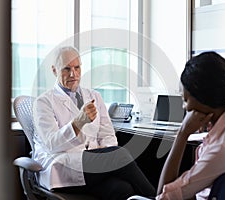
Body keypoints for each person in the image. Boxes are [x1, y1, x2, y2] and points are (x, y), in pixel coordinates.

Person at [32, 46, 155, 200]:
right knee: (120, 154)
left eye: (77, 68)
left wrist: (105, 160)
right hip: (62, 167)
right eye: (66, 69)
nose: (73, 74)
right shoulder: (43, 103)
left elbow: (108, 134)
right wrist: (77, 123)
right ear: (54, 70)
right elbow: (52, 144)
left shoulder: (94, 96)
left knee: (123, 189)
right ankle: (158, 197)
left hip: (92, 167)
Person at [155, 51, 225, 199]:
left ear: (203, 98)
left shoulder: (222, 149)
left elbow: (162, 196)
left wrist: (182, 134)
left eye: (186, 100)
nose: (186, 108)